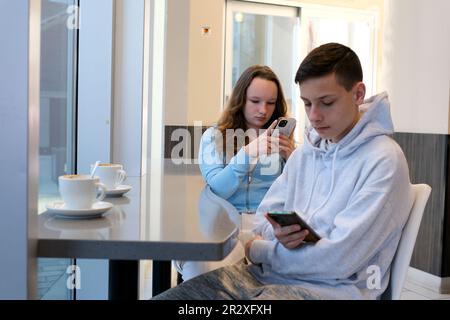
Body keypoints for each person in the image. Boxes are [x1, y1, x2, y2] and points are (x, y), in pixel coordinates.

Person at [156, 43, 413, 300]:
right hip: (264, 278)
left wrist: (257, 250)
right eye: (306, 103)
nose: (314, 116)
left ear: (358, 94)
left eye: (326, 102)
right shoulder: (306, 153)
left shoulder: (383, 161)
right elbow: (262, 219)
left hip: (325, 290)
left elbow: (336, 261)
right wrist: (275, 235)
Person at [174, 65, 296, 281]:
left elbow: (297, 195)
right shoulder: (214, 137)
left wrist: (293, 160)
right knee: (198, 270)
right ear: (241, 99)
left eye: (270, 103)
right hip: (225, 228)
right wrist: (248, 153)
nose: (263, 110)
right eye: (255, 101)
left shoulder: (282, 142)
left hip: (267, 228)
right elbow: (217, 188)